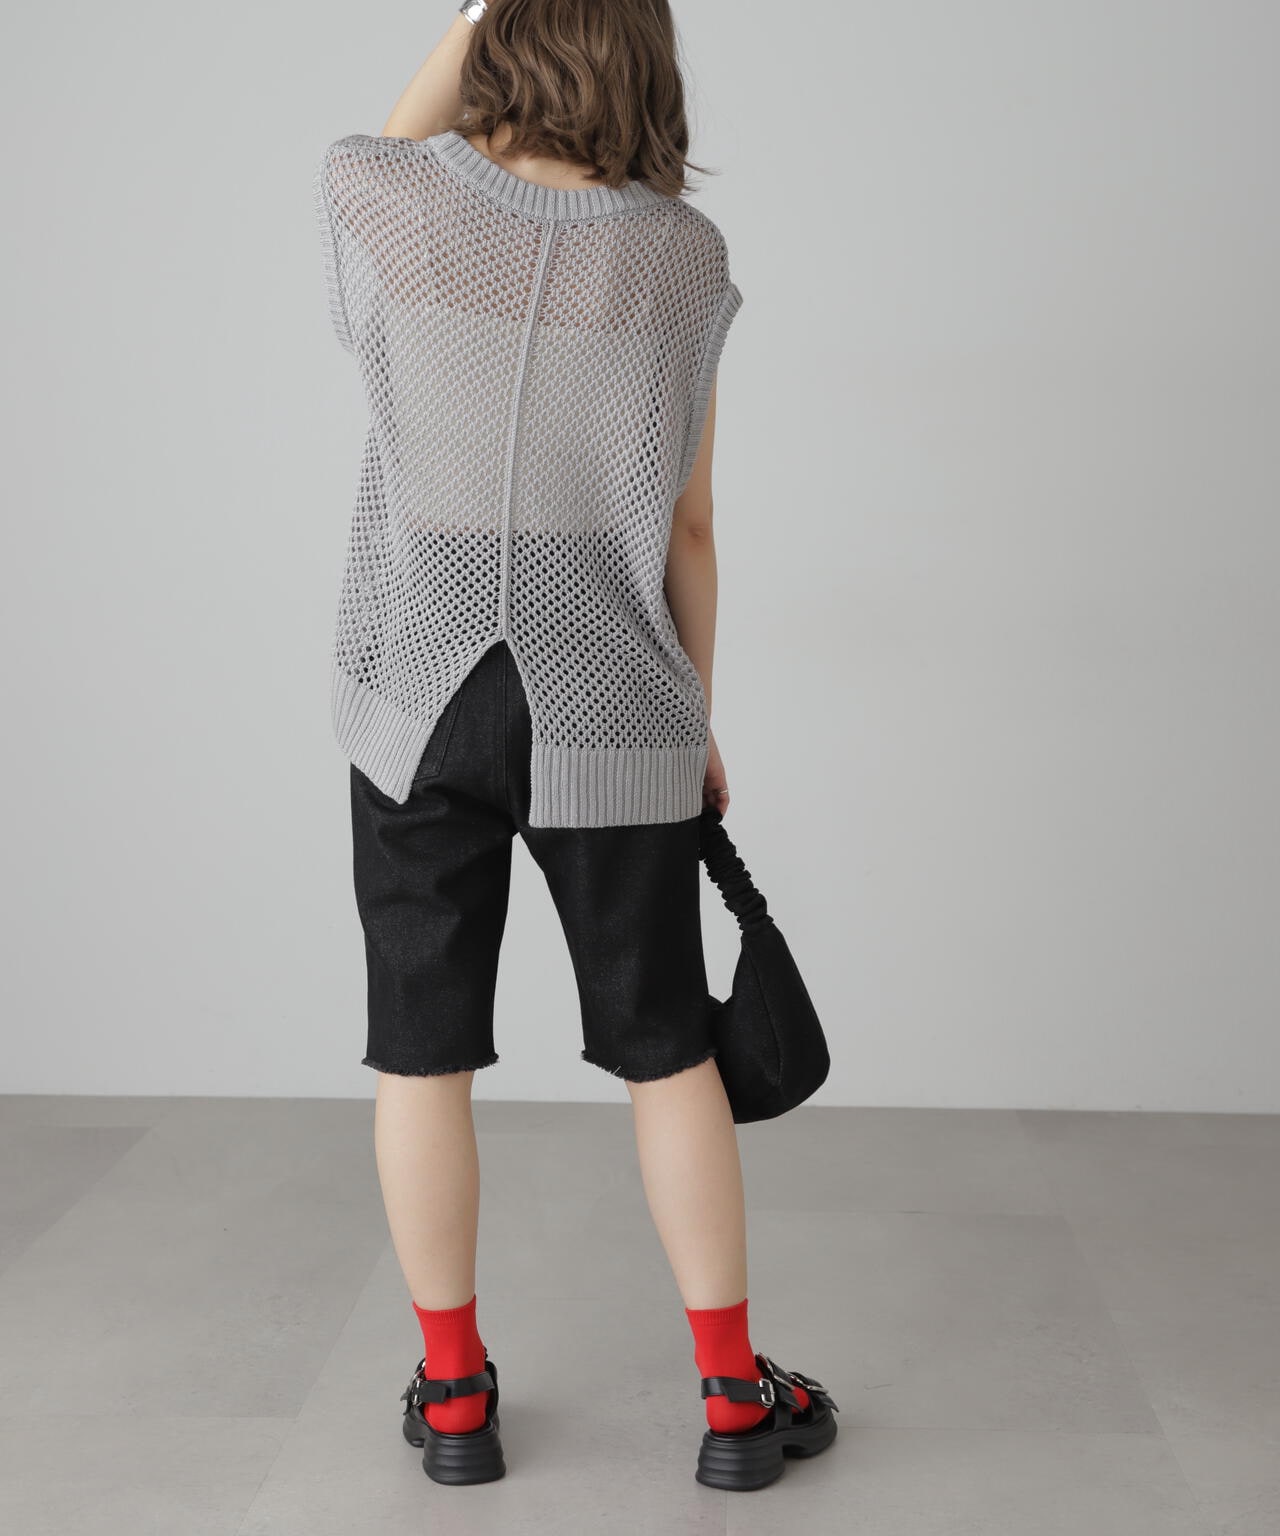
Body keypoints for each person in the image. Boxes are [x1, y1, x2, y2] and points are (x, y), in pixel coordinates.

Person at [313, 0, 837, 1492]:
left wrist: (480, 12)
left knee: (421, 1054)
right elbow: (691, 523)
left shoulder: (391, 202)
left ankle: (452, 1395)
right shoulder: (680, 258)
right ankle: (732, 1401)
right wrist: (690, 716)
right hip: (609, 693)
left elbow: (386, 140)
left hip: (420, 692)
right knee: (668, 1052)